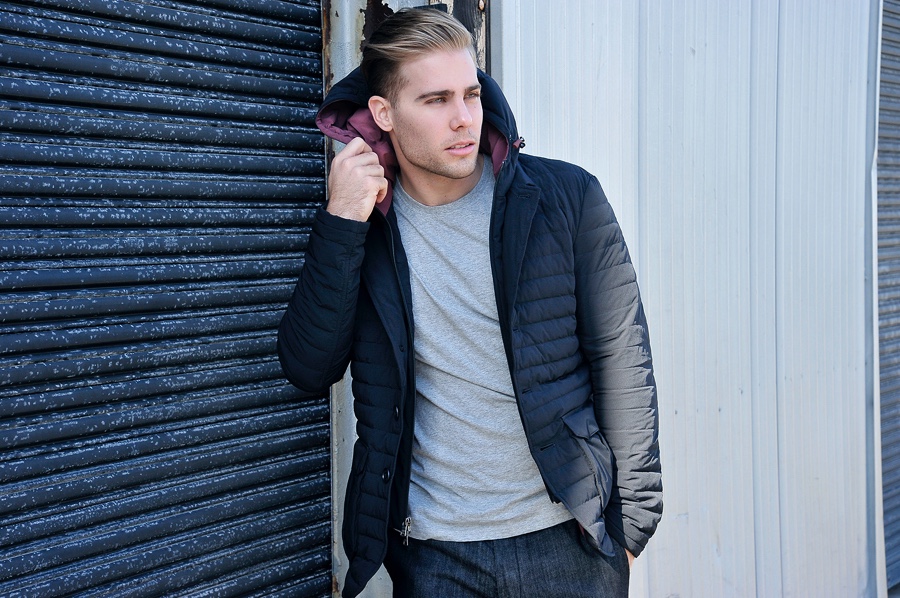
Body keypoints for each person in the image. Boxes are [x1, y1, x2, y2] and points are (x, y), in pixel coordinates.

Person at [278, 8, 662, 597]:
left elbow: (622, 358)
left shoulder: (565, 198)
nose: (463, 119)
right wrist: (341, 222)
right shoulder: (365, 226)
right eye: (435, 100)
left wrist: (631, 526)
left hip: (567, 541)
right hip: (434, 557)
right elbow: (309, 367)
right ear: (384, 113)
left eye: (471, 94)